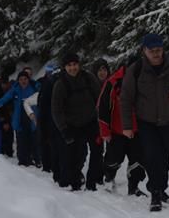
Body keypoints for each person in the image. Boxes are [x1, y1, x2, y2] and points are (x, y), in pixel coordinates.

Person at [120, 33, 169, 212]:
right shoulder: (136, 69)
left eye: (159, 50)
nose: (156, 54)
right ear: (144, 51)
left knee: (164, 158)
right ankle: (155, 193)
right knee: (152, 156)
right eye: (152, 51)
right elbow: (125, 98)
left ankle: (161, 189)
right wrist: (126, 126)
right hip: (146, 121)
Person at [51, 53, 103, 190]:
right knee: (77, 155)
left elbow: (99, 98)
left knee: (97, 151)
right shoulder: (60, 84)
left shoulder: (88, 78)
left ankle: (92, 182)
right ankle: (74, 181)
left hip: (91, 122)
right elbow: (56, 109)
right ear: (65, 67)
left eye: (75, 64)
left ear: (79, 65)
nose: (73, 68)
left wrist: (101, 118)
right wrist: (63, 129)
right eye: (69, 65)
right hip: (72, 125)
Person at [97, 60, 148, 197]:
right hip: (116, 130)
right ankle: (108, 178)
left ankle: (134, 187)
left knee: (137, 161)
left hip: (138, 130)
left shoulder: (145, 80)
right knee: (114, 159)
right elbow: (102, 108)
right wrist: (105, 131)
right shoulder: (113, 82)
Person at [0, 71, 38, 166]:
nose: (23, 81)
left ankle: (34, 160)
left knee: (33, 140)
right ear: (18, 80)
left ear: (28, 79)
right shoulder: (15, 90)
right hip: (19, 119)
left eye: (25, 79)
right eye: (21, 79)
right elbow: (3, 100)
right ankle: (22, 161)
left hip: (32, 119)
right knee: (21, 141)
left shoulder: (34, 88)